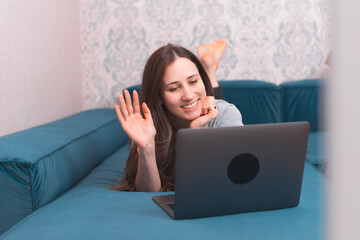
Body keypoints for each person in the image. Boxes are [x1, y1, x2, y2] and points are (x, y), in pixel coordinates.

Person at [110, 40, 243, 192]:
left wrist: (194, 135)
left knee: (212, 101)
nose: (187, 95)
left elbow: (230, 180)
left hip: (215, 110)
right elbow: (147, 191)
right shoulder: (145, 126)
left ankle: (210, 69)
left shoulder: (226, 114)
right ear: (159, 97)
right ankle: (208, 69)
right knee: (196, 100)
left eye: (193, 81)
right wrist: (146, 149)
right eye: (174, 88)